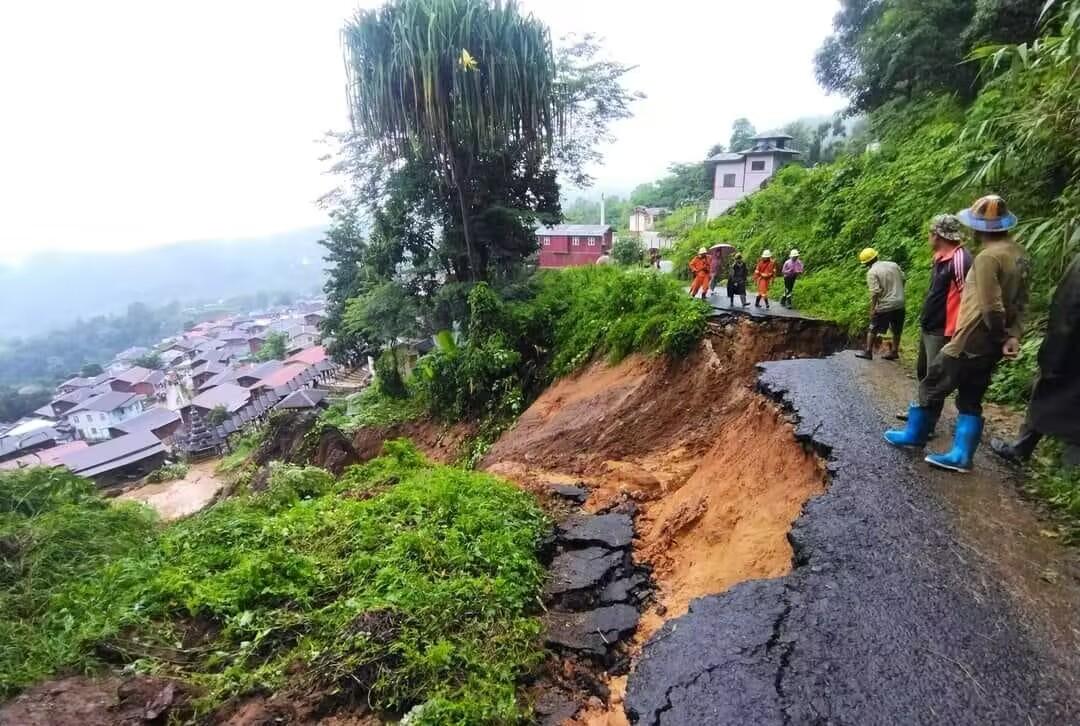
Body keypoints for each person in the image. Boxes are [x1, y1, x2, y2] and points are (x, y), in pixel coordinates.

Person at [885, 194, 1029, 473]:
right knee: (972, 395)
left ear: (979, 227)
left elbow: (991, 306)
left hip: (970, 339)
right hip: (991, 344)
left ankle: (916, 435)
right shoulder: (1019, 255)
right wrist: (1012, 336)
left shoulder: (988, 257)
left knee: (932, 382)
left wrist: (999, 333)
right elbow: (1022, 302)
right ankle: (963, 456)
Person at [991, 252, 1080, 467]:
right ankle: (1070, 471)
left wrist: (1055, 352)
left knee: (1045, 396)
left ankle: (1023, 449)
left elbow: (1068, 310)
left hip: (1069, 348)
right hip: (1070, 347)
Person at [916, 215, 973, 381]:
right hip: (929, 325)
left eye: (929, 233)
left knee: (934, 379)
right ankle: (923, 407)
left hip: (942, 330)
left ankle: (930, 407)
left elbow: (967, 298)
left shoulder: (960, 260)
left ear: (937, 235)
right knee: (923, 374)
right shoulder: (939, 257)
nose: (928, 237)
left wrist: (958, 335)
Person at [854, 248, 906, 361]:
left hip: (885, 305)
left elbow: (875, 292)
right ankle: (894, 351)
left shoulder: (872, 272)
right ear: (876, 256)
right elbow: (903, 279)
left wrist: (872, 309)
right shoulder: (893, 265)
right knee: (897, 329)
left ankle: (868, 351)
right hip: (900, 303)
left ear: (866, 263)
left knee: (873, 327)